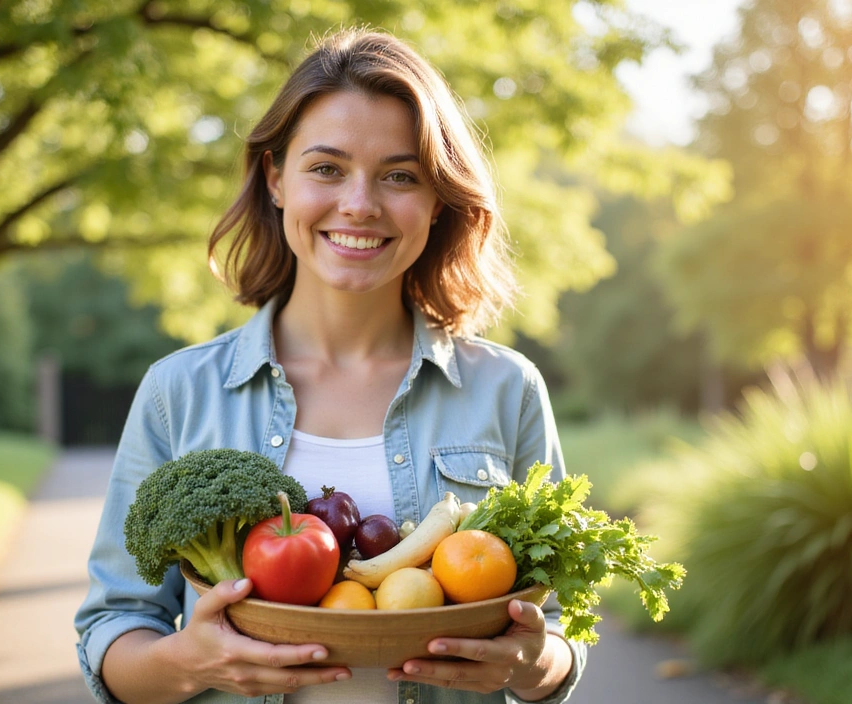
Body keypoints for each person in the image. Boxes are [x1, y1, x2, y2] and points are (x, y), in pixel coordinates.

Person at [74, 28, 585, 704]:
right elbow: (114, 630)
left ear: (438, 202)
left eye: (400, 175)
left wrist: (529, 665)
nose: (360, 204)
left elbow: (559, 631)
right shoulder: (181, 392)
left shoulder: (505, 387)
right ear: (276, 178)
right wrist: (190, 663)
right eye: (327, 168)